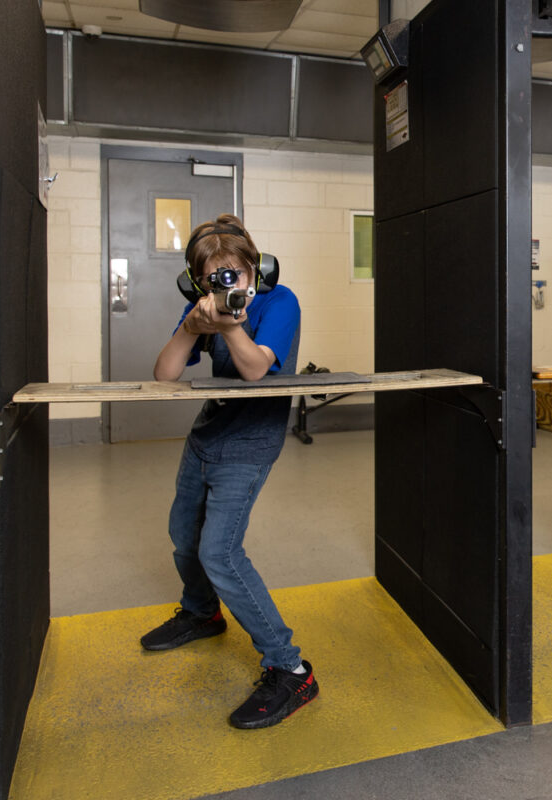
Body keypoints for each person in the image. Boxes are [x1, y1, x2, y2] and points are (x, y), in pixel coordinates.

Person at [142, 214, 318, 728]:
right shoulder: (200, 308)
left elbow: (256, 367)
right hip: (208, 433)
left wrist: (231, 324)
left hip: (251, 439)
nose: (228, 286)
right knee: (183, 535)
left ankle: (291, 669)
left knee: (219, 550)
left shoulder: (279, 301)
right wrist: (192, 328)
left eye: (236, 274)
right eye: (216, 278)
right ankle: (202, 612)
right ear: (197, 282)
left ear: (255, 269)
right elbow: (164, 374)